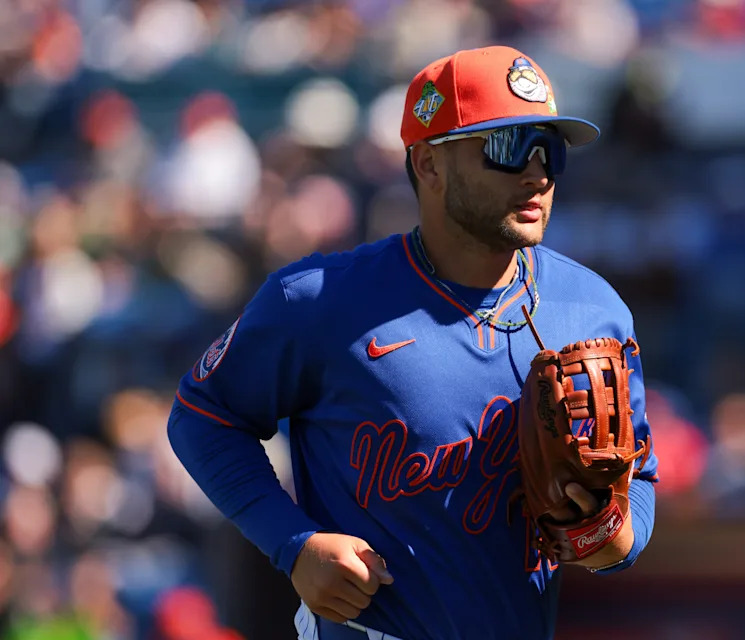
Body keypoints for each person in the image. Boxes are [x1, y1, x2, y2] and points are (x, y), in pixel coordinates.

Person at [167, 45, 658, 640]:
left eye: (549, 149)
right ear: (429, 165)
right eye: (508, 148)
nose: (537, 173)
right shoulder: (320, 300)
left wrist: (610, 533)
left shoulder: (594, 308)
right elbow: (202, 416)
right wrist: (293, 545)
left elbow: (639, 487)